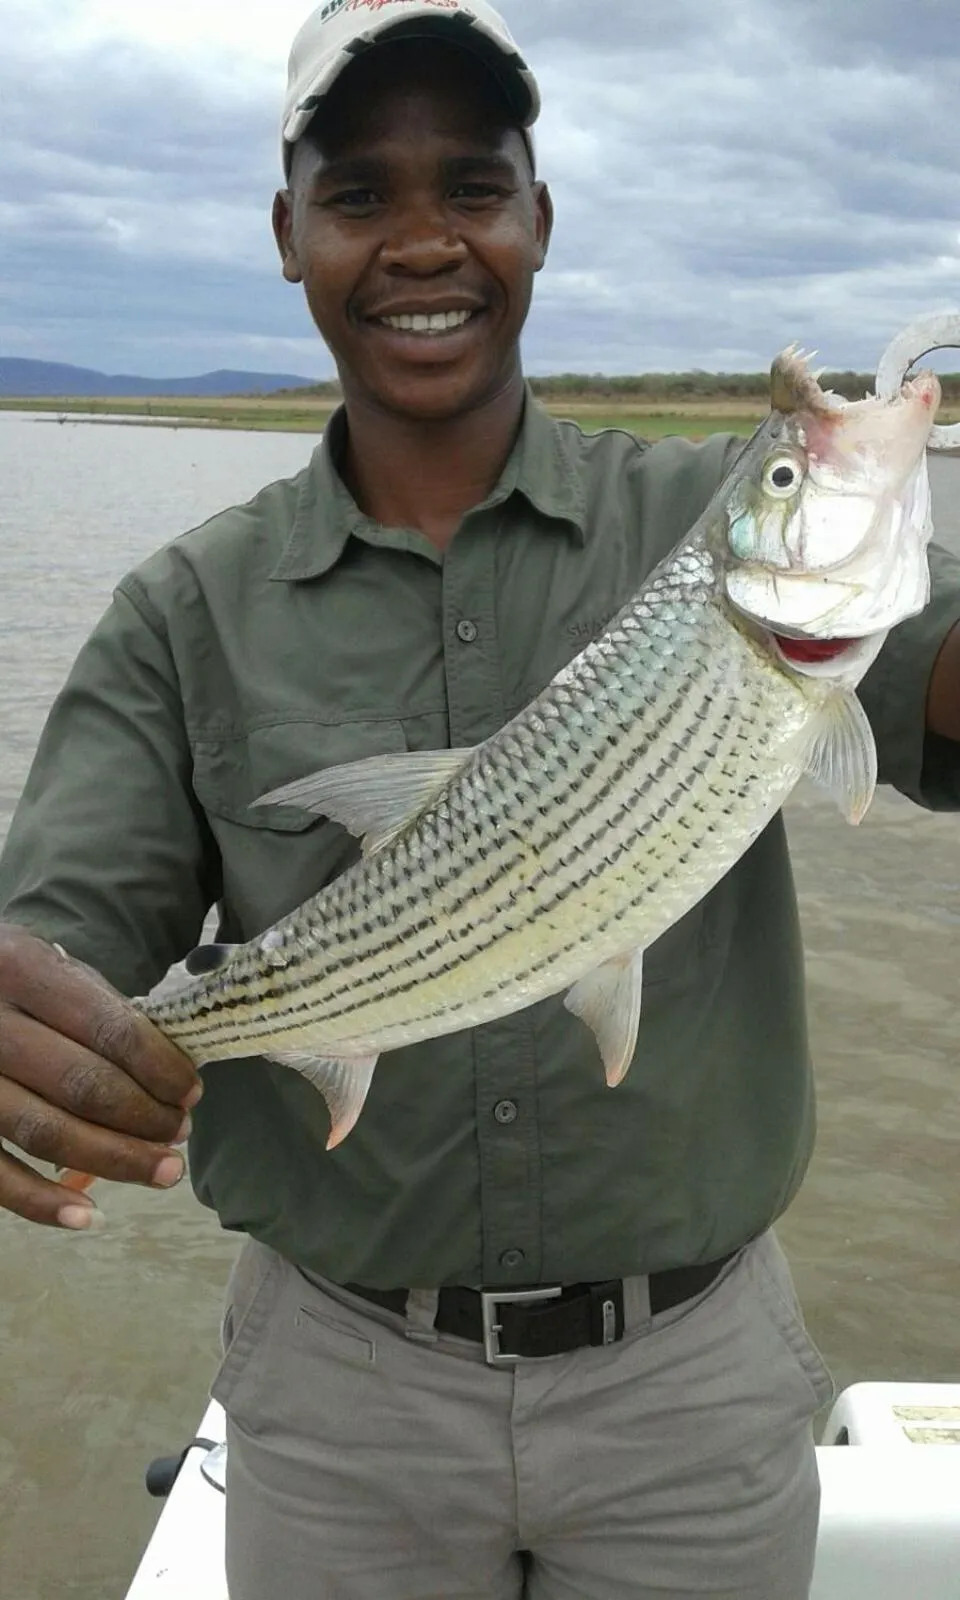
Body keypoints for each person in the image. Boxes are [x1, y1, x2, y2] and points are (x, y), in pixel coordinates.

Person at [1, 2, 958, 1595]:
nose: (425, 241)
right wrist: (38, 1041)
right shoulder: (185, 611)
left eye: (475, 186)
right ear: (289, 236)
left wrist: (812, 483)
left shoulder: (704, 522)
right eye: (362, 195)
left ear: (539, 219)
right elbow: (58, 934)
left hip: (695, 1386)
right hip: (334, 1393)